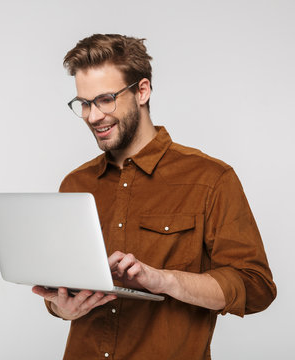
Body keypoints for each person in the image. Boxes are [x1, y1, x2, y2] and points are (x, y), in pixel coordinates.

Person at [32, 34, 276, 360]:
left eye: (105, 99)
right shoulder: (75, 183)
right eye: (85, 103)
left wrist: (163, 280)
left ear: (142, 91)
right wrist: (62, 308)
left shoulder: (211, 179)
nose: (93, 116)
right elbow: (61, 289)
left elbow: (255, 287)